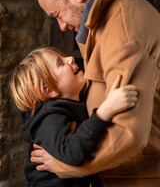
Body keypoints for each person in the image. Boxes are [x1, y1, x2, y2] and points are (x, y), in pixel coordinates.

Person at [32, 0, 160, 187]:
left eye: (57, 15)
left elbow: (129, 135)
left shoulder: (123, 32)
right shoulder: (98, 21)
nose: (61, 26)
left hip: (136, 178)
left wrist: (62, 167)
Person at [10, 46, 137, 187]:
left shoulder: (74, 104)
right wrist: (105, 111)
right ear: (49, 90)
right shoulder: (49, 119)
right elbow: (72, 153)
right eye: (60, 63)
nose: (70, 58)